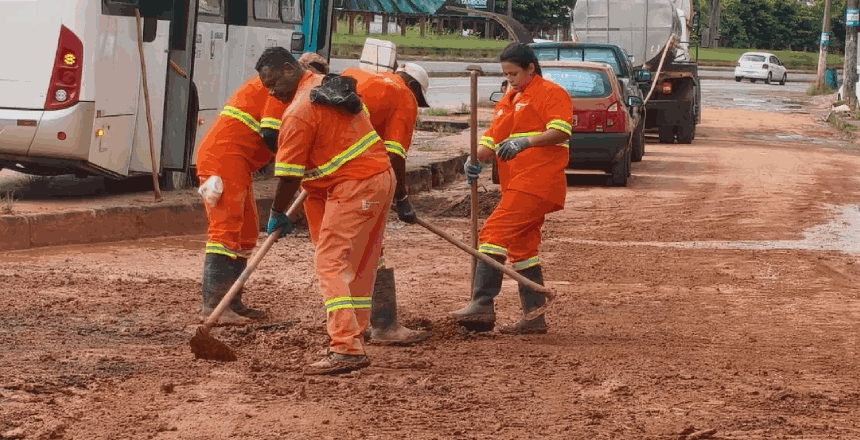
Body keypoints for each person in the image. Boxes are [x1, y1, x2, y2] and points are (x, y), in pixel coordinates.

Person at [257, 47, 395, 375]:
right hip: (379, 179)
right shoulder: (326, 86)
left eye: (274, 83)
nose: (272, 92)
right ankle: (355, 335)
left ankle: (345, 347)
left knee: (329, 263)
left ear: (291, 69)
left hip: (355, 185)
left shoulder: (298, 112)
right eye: (266, 87)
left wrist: (278, 211)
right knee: (360, 263)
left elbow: (289, 175)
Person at [299, 53, 433, 345]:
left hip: (319, 173)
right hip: (354, 179)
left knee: (331, 253)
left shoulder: (352, 73)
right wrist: (402, 199)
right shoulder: (403, 95)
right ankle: (383, 326)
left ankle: (352, 325)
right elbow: (395, 154)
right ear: (414, 86)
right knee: (368, 249)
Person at [452, 42, 573, 335]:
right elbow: (492, 138)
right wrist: (473, 156)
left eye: (515, 73)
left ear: (531, 68)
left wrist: (526, 142)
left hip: (537, 181)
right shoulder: (508, 98)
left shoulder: (551, 93)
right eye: (506, 74)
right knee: (522, 248)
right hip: (516, 183)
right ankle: (534, 317)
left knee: (492, 234)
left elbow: (561, 130)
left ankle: (482, 303)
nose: (510, 79)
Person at [194, 51, 291, 325]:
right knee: (226, 227)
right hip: (223, 159)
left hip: (238, 163)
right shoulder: (275, 89)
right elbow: (272, 135)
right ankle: (214, 307)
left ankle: (231, 302)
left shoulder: (283, 87)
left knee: (247, 230)